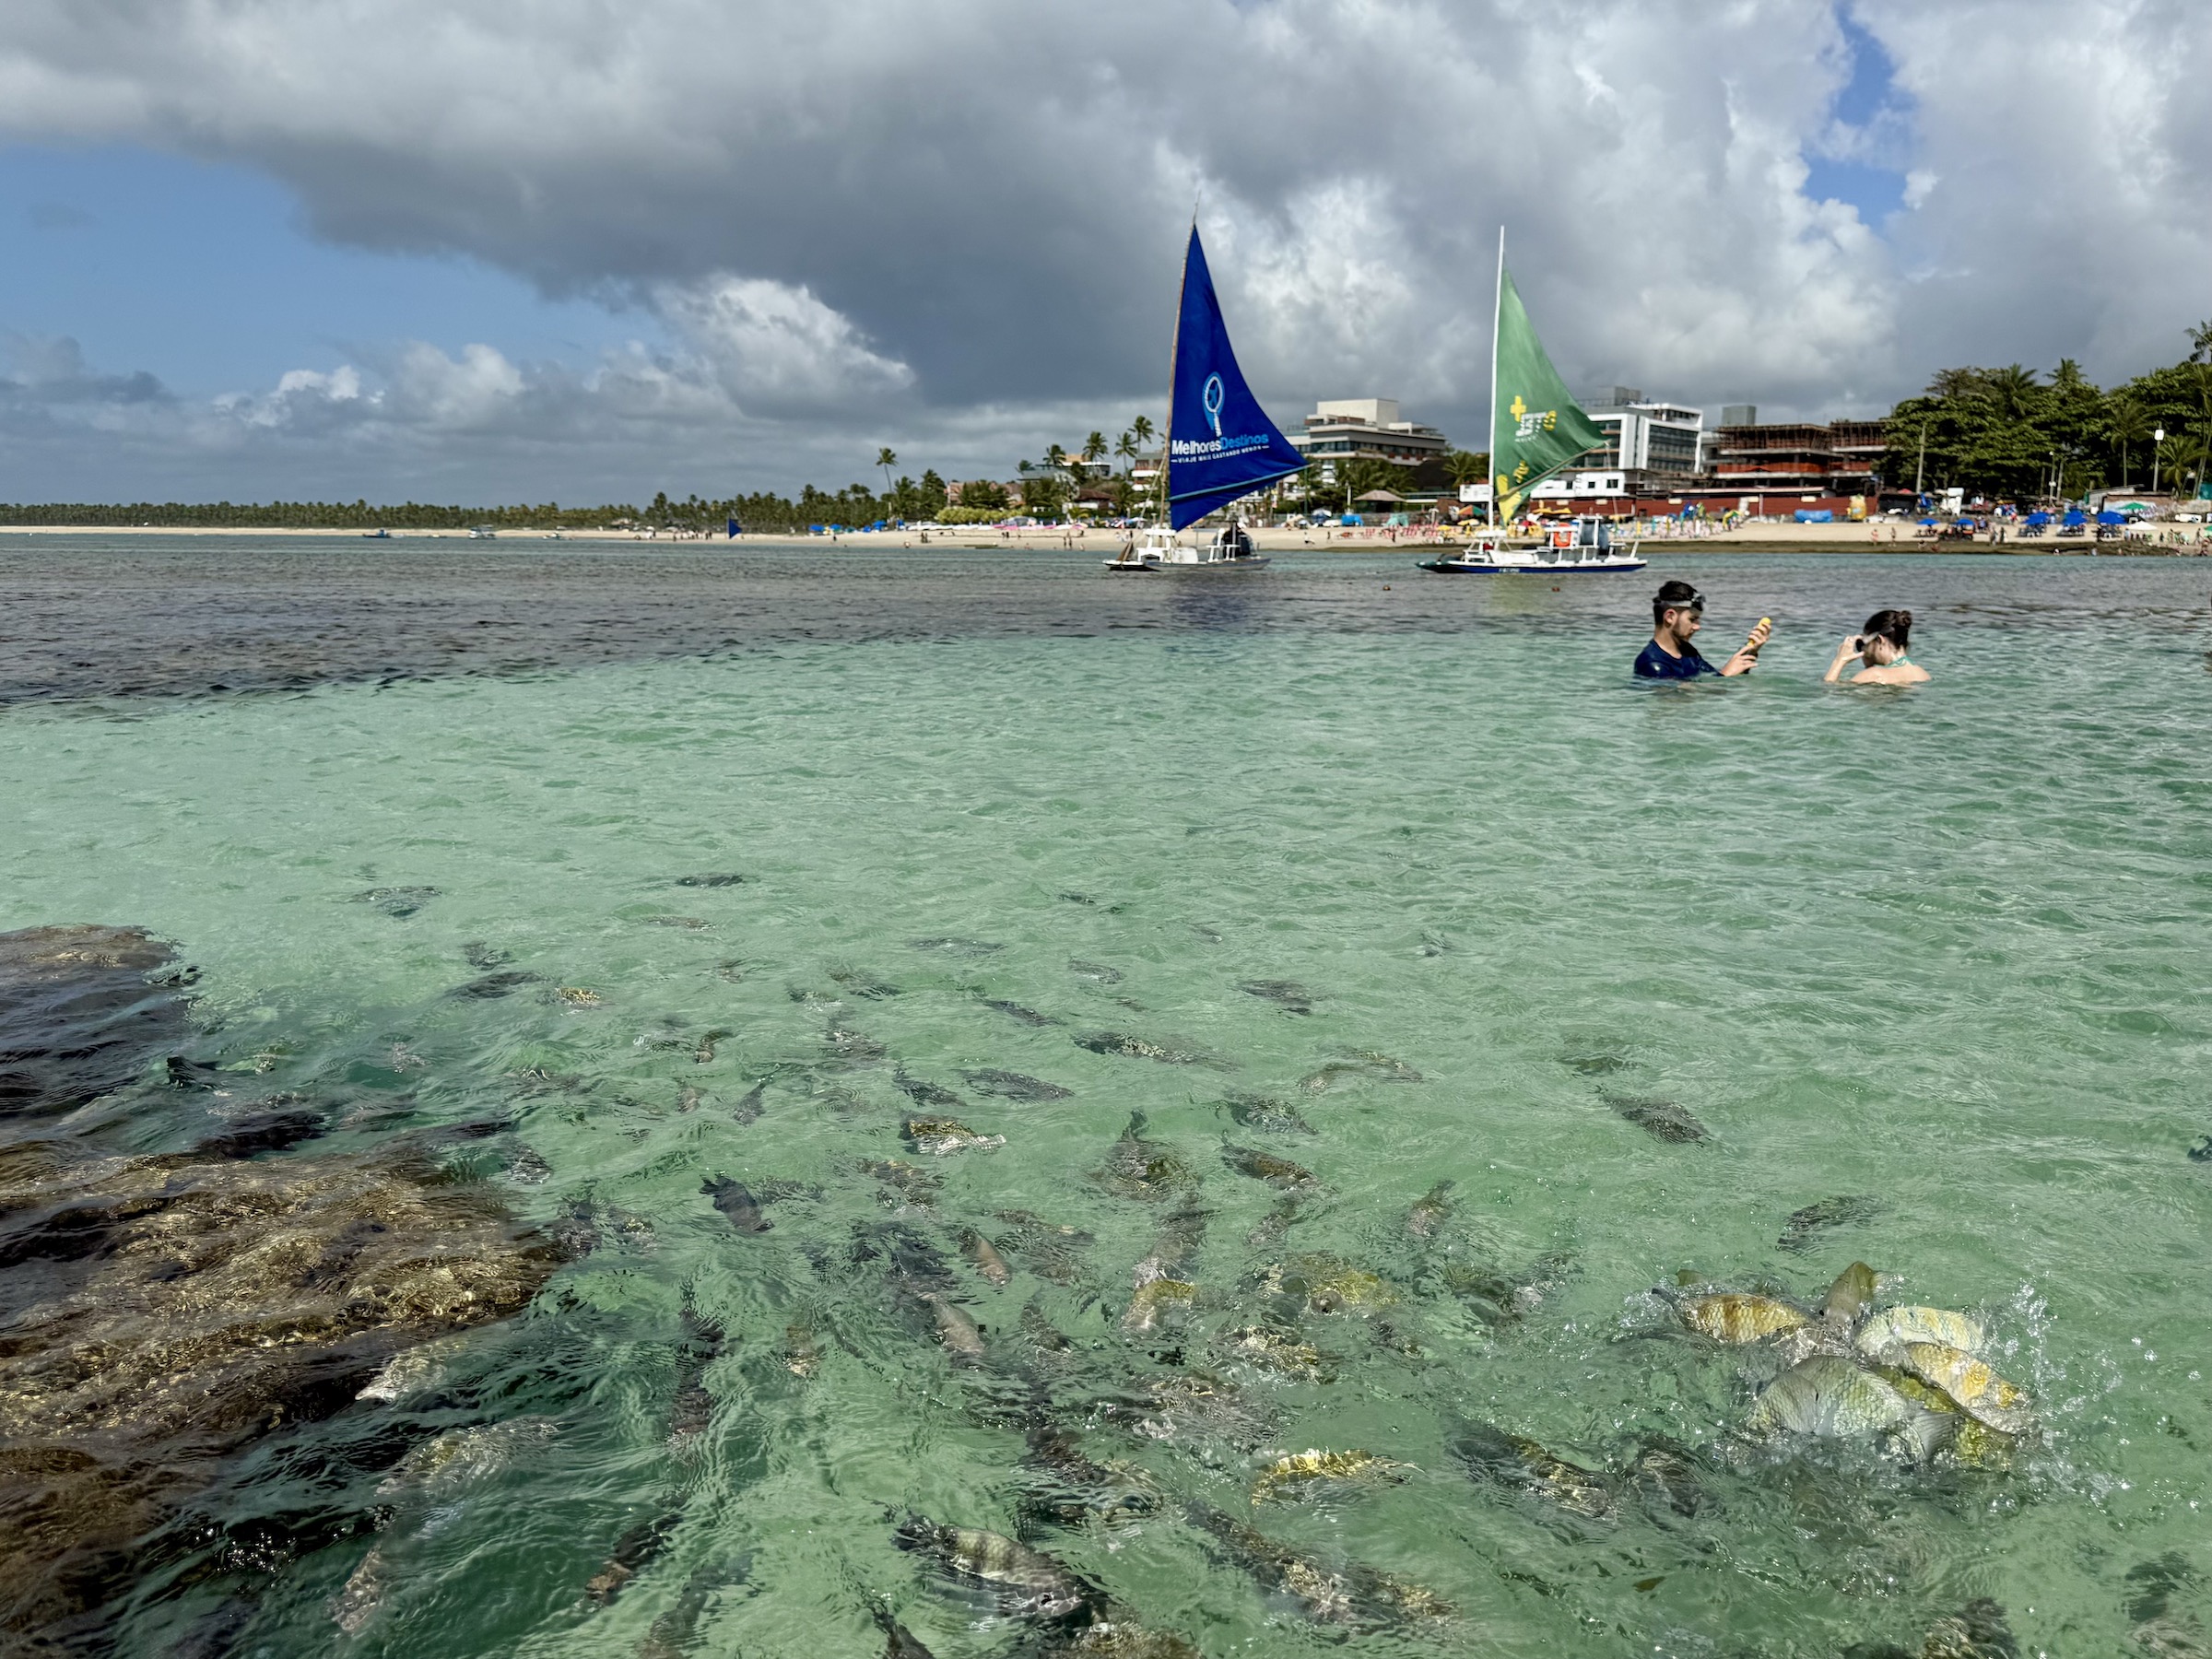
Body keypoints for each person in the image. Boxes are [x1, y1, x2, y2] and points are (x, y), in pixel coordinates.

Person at [1634, 580, 1771, 678]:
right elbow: (1677, 703)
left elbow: (1714, 678)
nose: (1698, 626)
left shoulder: (1687, 652)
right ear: (1670, 617)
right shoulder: (1652, 665)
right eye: (1692, 620)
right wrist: (1724, 676)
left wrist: (1751, 650)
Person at [1824, 608, 1929, 685]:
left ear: (1879, 640)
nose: (1863, 650)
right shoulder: (1923, 674)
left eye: (1862, 644)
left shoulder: (1873, 675)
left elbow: (1829, 694)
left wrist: (1839, 661)